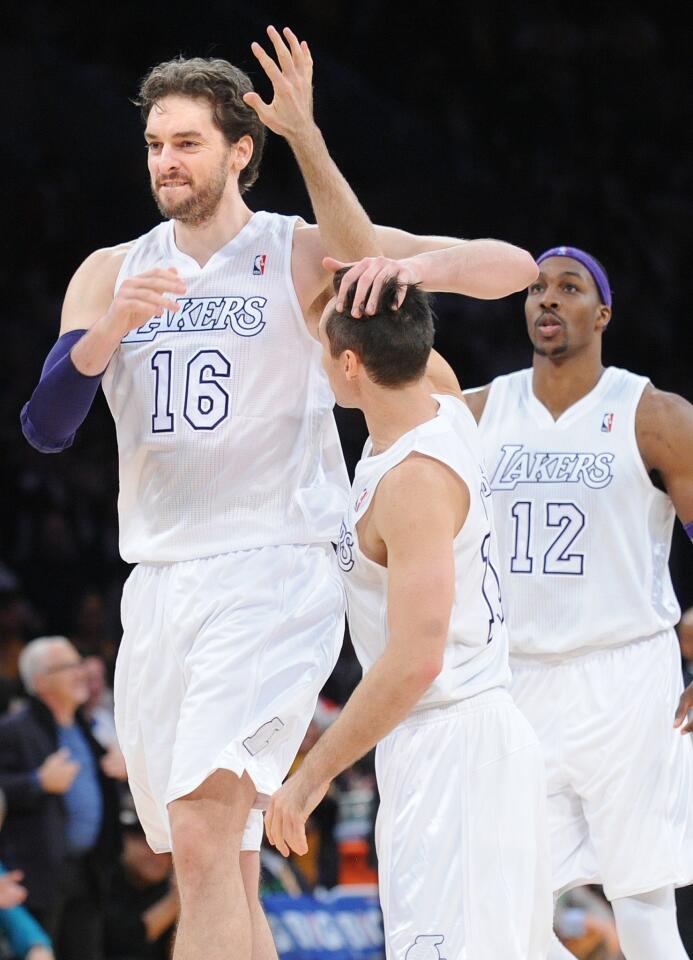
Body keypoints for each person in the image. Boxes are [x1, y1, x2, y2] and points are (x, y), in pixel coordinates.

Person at [19, 25, 537, 960]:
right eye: (154, 144)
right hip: (161, 585)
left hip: (272, 570)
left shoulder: (296, 254)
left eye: (186, 143)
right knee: (217, 868)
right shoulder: (110, 272)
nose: (165, 161)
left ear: (239, 152)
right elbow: (48, 426)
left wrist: (316, 145)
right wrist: (105, 337)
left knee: (211, 841)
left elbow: (510, 268)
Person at [266, 254, 552, 960]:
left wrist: (309, 778)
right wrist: (395, 269)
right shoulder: (438, 401)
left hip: (454, 744)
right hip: (451, 744)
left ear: (350, 366)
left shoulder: (413, 481)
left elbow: (416, 659)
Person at [464, 245, 693, 960]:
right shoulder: (475, 411)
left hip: (626, 679)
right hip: (516, 682)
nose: (546, 299)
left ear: (602, 313)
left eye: (567, 287)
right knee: (500, 914)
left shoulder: (651, 413)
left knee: (647, 916)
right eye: (534, 288)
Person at [0, 637, 121, 960]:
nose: (80, 672)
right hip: (37, 875)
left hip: (87, 870)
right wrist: (37, 781)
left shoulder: (85, 726)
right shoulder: (14, 730)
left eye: (79, 662)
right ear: (40, 681)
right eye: (68, 666)